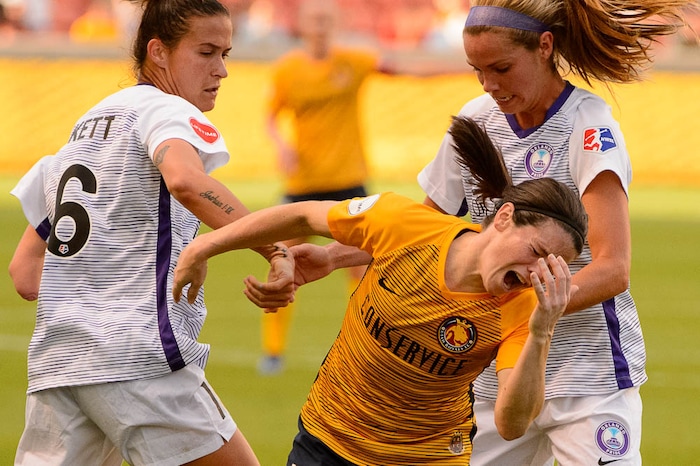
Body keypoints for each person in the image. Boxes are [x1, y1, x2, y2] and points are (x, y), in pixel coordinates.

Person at [172, 116, 589, 465]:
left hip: (426, 458)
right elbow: (302, 216)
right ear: (503, 218)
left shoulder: (524, 306)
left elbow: (512, 424)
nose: (537, 272)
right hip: (328, 438)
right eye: (536, 251)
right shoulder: (403, 223)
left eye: (551, 266)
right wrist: (205, 245)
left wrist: (541, 333)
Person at [7, 0, 294, 464]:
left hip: (60, 364)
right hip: (138, 357)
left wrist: (101, 293)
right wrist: (274, 247)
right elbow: (185, 181)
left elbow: (23, 271)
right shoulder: (167, 111)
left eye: (226, 54)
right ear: (158, 52)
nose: (221, 70)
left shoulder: (79, 133)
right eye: (206, 52)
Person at [416, 2, 693, 465]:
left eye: (501, 68)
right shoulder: (477, 119)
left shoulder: (588, 125)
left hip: (589, 380)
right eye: (477, 70)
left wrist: (522, 308)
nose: (489, 84)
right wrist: (334, 257)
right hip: (497, 379)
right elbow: (424, 230)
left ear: (545, 47)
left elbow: (612, 269)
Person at [260, 0, 378, 375]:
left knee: (361, 269)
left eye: (327, 19)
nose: (321, 26)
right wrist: (281, 146)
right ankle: (273, 350)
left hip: (348, 182)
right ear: (302, 25)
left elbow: (401, 66)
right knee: (281, 261)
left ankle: (363, 347)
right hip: (303, 185)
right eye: (315, 20)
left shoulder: (354, 63)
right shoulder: (287, 70)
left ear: (336, 23)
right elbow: (270, 116)